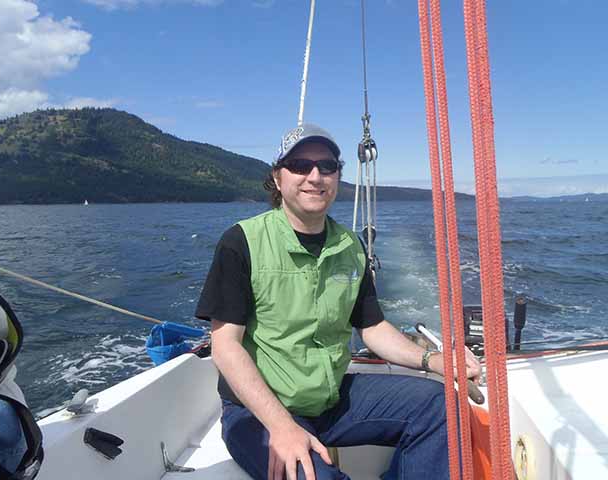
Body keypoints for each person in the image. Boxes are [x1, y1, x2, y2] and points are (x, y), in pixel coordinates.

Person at [195, 123, 481, 480]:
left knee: (443, 407)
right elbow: (225, 348)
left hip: (329, 400)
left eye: (327, 166)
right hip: (259, 412)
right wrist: (281, 426)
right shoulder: (242, 242)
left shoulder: (350, 246)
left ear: (337, 177)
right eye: (300, 165)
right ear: (278, 178)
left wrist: (431, 360)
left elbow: (372, 327)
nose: (315, 176)